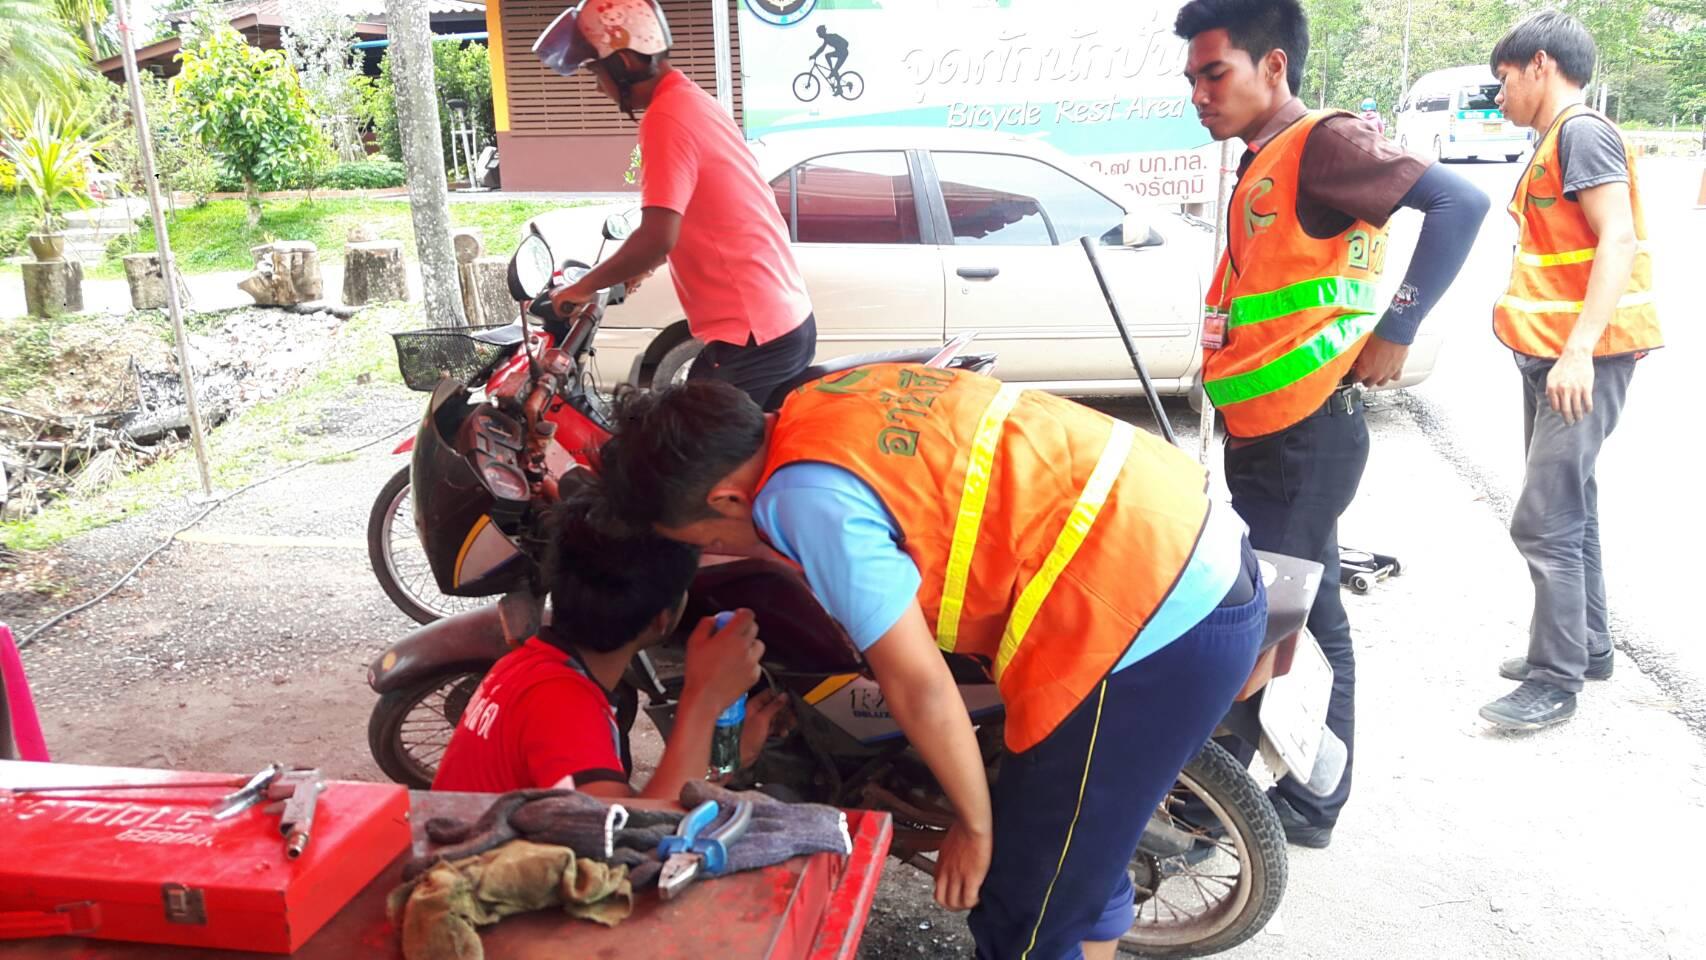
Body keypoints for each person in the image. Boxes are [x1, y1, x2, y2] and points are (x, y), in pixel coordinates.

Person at [598, 370, 1266, 960]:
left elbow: (919, 687)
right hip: (1194, 543)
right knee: (1078, 862)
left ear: (724, 501)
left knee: (1020, 911)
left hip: (1143, 621)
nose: (713, 549)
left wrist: (974, 826)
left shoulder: (799, 500)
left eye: (703, 540)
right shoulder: (818, 403)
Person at [1174, 0, 1488, 848]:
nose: (1199, 93)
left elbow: (1460, 203)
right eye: (1192, 78)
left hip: (1303, 438)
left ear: (1273, 65)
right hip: (1281, 435)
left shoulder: (1324, 141)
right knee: (1302, 617)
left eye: (1215, 73)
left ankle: (1240, 813)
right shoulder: (1269, 156)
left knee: (1279, 623)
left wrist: (1399, 326)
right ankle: (1303, 799)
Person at [1479, 11, 1661, 730]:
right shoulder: (1557, 138)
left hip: (1584, 357)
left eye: (1504, 80)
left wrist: (1580, 350)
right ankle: (1587, 646)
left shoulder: (1580, 133)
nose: (1500, 96)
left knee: (1544, 517)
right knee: (1571, 505)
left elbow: (1618, 238)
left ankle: (1555, 681)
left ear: (1541, 65)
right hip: (1555, 354)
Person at [533, 0, 817, 405]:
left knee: (687, 443)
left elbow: (657, 237)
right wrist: (631, 271)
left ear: (624, 63)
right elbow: (698, 213)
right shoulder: (692, 100)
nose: (597, 87)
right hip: (779, 320)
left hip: (754, 336)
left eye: (596, 72)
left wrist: (578, 289)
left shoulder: (666, 117)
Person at [432, 487, 786, 798]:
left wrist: (727, 758)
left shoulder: (527, 667)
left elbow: (630, 809)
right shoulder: (561, 705)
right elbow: (628, 832)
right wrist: (704, 697)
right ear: (662, 618)